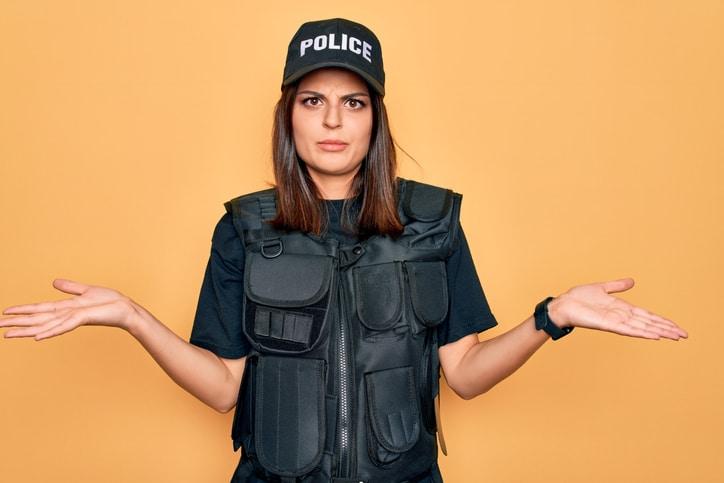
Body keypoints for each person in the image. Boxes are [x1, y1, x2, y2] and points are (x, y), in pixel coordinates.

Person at [0, 17, 687, 483]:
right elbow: (221, 389)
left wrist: (552, 315)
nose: (332, 120)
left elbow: (468, 374)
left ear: (376, 119)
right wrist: (131, 315)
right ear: (288, 114)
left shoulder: (432, 221)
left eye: (354, 103)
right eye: (313, 100)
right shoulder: (244, 228)